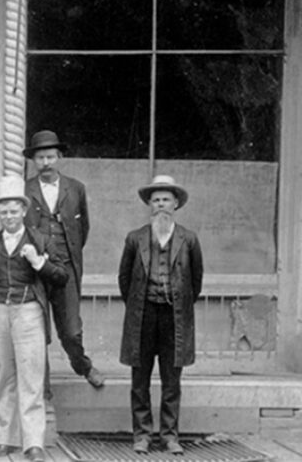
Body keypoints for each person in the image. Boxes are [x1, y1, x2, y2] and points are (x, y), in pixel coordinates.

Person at [0, 174, 68, 462]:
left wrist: (39, 263)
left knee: (31, 376)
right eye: (3, 211)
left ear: (24, 211)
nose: (9, 216)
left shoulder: (41, 239)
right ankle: (5, 440)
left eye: (14, 210)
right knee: (3, 375)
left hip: (29, 312)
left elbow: (61, 277)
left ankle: (33, 443)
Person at [119, 175, 203, 456]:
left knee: (171, 380)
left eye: (166, 199)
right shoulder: (135, 238)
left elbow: (196, 281)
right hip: (143, 316)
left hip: (174, 318)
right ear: (149, 205)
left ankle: (169, 436)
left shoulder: (189, 239)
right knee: (139, 380)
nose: (161, 205)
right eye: (156, 200)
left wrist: (177, 304)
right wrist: (139, 305)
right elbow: (124, 280)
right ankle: (141, 435)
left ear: (176, 203)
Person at [23, 130, 104, 390]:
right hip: (34, 269)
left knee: (70, 330)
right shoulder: (25, 189)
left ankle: (83, 366)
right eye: (40, 158)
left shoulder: (75, 188)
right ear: (33, 161)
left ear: (59, 157)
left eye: (50, 157)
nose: (46, 163)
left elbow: (84, 229)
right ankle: (41, 388)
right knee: (37, 331)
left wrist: (65, 256)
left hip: (65, 267)